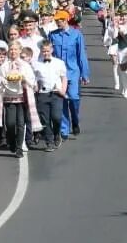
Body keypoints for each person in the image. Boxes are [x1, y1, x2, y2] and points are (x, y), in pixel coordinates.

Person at [48, 9, 90, 139]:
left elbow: (81, 55)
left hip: (73, 71)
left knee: (73, 98)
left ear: (65, 20)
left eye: (59, 20)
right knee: (63, 99)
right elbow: (49, 53)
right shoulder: (52, 35)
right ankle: (64, 129)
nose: (57, 23)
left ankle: (75, 121)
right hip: (58, 73)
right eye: (56, 21)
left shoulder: (76, 34)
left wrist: (85, 73)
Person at [0, 40, 36, 158]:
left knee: (20, 123)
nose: (13, 51)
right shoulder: (4, 66)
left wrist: (24, 79)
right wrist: (6, 80)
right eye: (11, 49)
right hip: (9, 97)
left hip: (22, 96)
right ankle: (11, 141)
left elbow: (31, 79)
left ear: (20, 50)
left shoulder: (25, 65)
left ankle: (19, 147)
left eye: (15, 49)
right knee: (10, 123)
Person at [33, 40, 68, 152]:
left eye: (48, 51)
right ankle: (49, 142)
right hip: (43, 94)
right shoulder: (36, 64)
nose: (46, 53)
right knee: (45, 120)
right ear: (41, 51)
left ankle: (57, 133)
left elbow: (64, 78)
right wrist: (35, 87)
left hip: (56, 93)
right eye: (44, 51)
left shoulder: (59, 62)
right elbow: (35, 79)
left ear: (52, 50)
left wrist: (63, 90)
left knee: (56, 117)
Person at [104, 6, 127, 98]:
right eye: (121, 15)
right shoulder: (116, 24)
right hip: (121, 49)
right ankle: (125, 89)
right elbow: (114, 36)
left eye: (125, 15)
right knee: (123, 71)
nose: (123, 17)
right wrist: (115, 26)